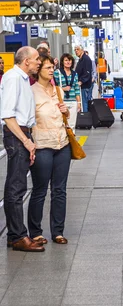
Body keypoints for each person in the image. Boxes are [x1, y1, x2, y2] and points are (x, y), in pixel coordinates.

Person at [0, 46, 45, 252]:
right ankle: (18, 236)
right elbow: (8, 115)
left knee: (18, 185)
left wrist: (30, 139)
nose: (39, 62)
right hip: (16, 134)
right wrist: (25, 141)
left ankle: (14, 234)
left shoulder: (24, 79)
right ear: (26, 61)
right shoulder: (13, 78)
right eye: (36, 59)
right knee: (16, 187)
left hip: (23, 134)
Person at [28, 55, 71, 244]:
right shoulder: (30, 92)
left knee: (60, 190)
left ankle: (58, 232)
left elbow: (66, 117)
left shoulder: (58, 90)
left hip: (62, 144)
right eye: (47, 68)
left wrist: (66, 111)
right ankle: (35, 231)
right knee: (40, 190)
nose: (52, 70)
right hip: (42, 145)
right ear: (38, 71)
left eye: (53, 67)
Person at [54, 53, 81, 131]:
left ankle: (72, 141)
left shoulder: (75, 74)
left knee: (72, 124)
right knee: (62, 123)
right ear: (62, 62)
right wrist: (63, 89)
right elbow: (54, 87)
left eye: (70, 60)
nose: (68, 62)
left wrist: (79, 103)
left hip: (73, 102)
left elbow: (76, 89)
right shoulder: (57, 73)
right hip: (62, 101)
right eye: (66, 60)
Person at [74, 45, 93, 112]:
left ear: (82, 50)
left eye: (78, 49)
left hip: (85, 85)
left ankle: (86, 118)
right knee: (84, 102)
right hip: (82, 85)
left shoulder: (86, 59)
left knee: (85, 103)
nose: (76, 51)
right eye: (75, 50)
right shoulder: (81, 60)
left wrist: (81, 81)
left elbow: (87, 73)